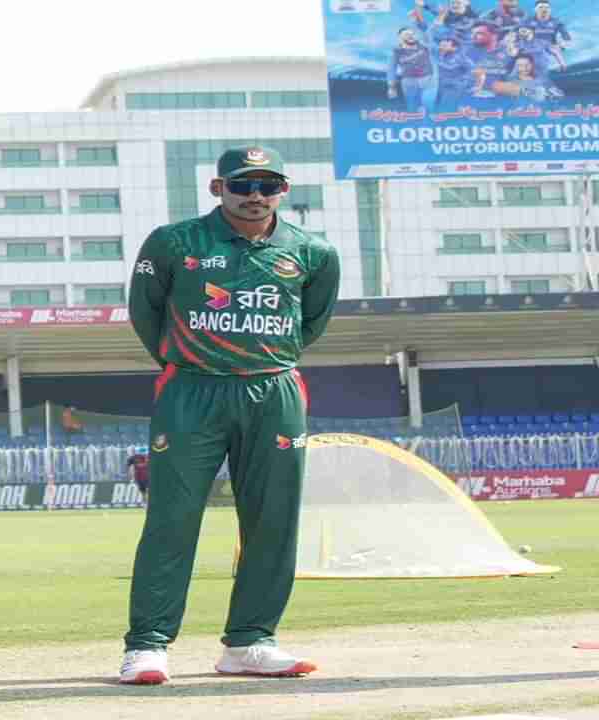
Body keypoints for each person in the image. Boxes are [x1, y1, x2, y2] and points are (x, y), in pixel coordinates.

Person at [119, 146, 340, 685]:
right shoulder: (174, 242)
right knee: (173, 518)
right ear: (218, 189)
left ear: (283, 191)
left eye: (269, 185)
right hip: (192, 392)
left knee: (273, 520)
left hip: (274, 391)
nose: (256, 196)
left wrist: (259, 358)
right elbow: (145, 312)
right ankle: (147, 646)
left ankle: (250, 641)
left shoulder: (313, 251)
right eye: (243, 185)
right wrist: (191, 359)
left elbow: (310, 322)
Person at [388, 25, 435, 111]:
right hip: (409, 82)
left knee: (428, 106)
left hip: (428, 80)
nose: (410, 36)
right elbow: (392, 69)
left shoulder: (424, 46)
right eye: (406, 34)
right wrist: (391, 87)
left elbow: (429, 35)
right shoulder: (397, 51)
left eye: (412, 34)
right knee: (412, 107)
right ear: (400, 38)